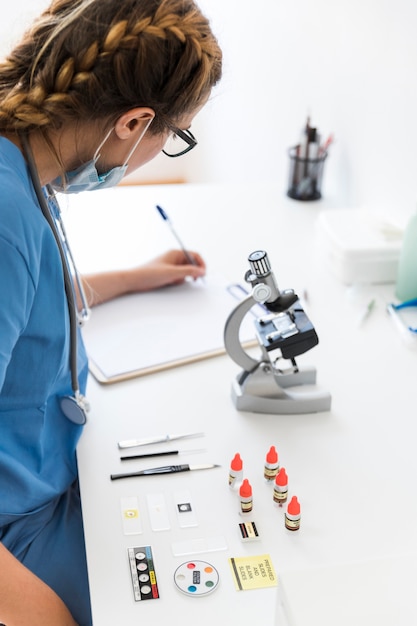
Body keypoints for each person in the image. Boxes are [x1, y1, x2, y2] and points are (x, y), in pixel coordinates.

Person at [0, 0, 222, 624]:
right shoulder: (5, 217)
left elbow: (32, 302)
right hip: (17, 534)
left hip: (49, 477)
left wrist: (138, 277)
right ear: (134, 122)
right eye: (172, 137)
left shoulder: (23, 160)